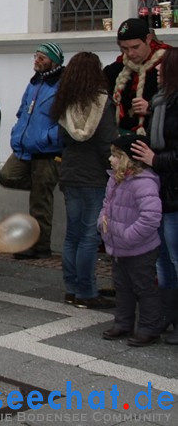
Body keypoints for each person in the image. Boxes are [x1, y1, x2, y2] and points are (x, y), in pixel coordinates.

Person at [50, 52, 117, 309]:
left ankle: (71, 289)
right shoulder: (102, 103)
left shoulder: (64, 105)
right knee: (90, 236)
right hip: (94, 177)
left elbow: (64, 141)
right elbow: (106, 143)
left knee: (73, 235)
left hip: (70, 174)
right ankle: (86, 292)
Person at [128, 46, 178, 344]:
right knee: (162, 260)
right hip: (163, 191)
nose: (156, 70)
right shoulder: (162, 102)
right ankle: (166, 316)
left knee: (175, 258)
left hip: (173, 191)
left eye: (162, 67)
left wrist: (154, 160)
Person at [0, 42, 65, 260]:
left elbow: (64, 120)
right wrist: (18, 133)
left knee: (40, 201)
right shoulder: (35, 82)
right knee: (8, 175)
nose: (37, 61)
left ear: (53, 61)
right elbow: (23, 111)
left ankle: (40, 245)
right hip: (25, 148)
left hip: (47, 151)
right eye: (35, 56)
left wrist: (48, 138)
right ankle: (40, 185)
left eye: (42, 58)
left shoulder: (61, 85)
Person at [98, 134, 162, 347]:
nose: (110, 159)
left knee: (144, 287)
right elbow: (106, 204)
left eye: (115, 156)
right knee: (122, 286)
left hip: (139, 248)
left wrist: (127, 236)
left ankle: (149, 328)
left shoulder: (143, 183)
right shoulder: (114, 179)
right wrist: (102, 223)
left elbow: (151, 217)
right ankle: (123, 323)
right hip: (118, 247)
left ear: (128, 159)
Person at [104, 18, 169, 134]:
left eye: (135, 47)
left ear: (148, 39)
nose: (130, 53)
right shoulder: (116, 68)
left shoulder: (169, 64)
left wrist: (151, 108)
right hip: (122, 138)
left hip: (158, 141)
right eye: (124, 48)